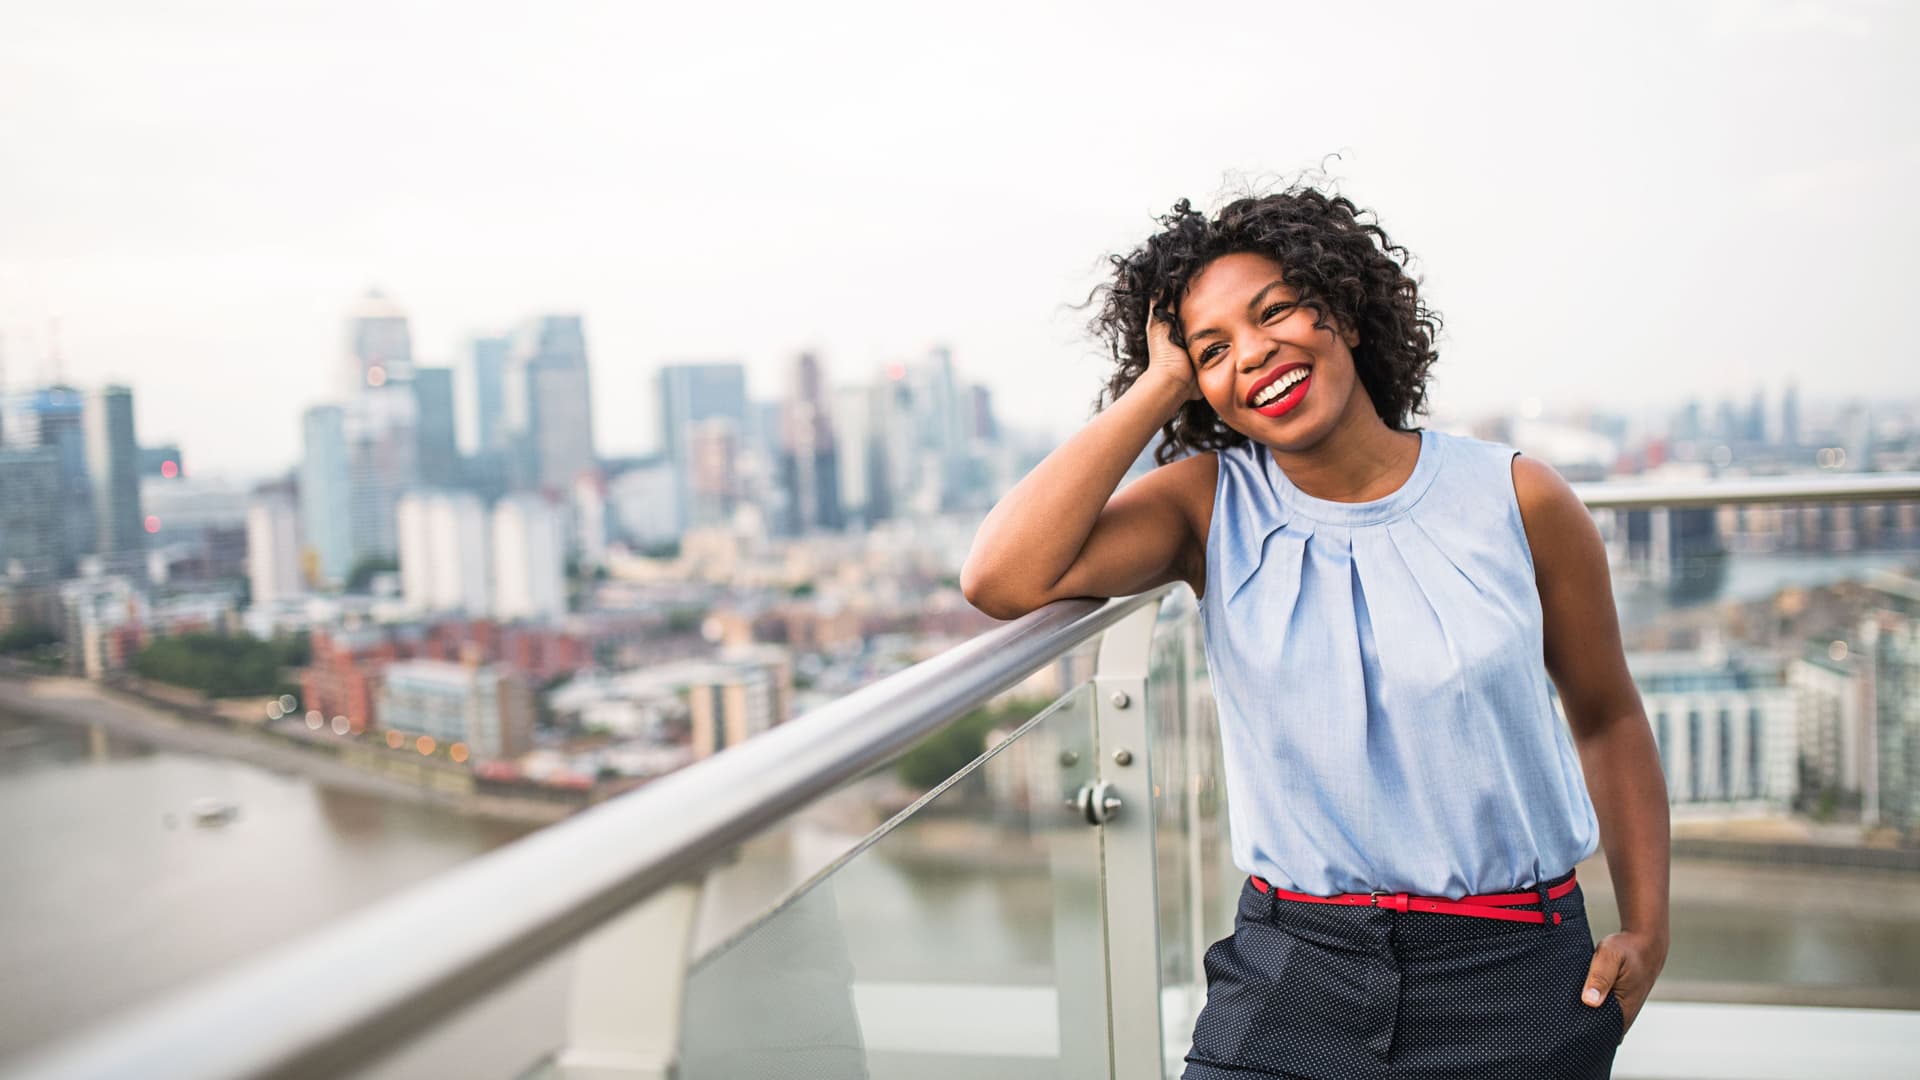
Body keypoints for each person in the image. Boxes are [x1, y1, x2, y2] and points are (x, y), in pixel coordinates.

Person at [960, 186, 1670, 1079]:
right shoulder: (1208, 505)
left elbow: (1607, 715)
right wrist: (1160, 384)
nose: (1253, 355)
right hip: (1291, 969)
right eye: (1213, 348)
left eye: (1276, 312)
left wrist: (1649, 928)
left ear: (1346, 310)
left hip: (1514, 975)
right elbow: (1000, 576)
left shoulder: (1520, 499)